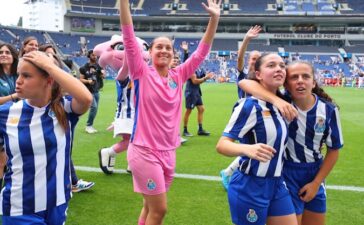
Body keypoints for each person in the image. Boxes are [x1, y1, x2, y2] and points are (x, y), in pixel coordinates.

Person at [119, 0, 221, 224]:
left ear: (174, 55)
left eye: (168, 48)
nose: (164, 50)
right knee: (160, 210)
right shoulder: (141, 72)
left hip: (169, 151)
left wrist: (214, 19)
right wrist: (124, 3)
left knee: (149, 207)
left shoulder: (179, 75)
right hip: (144, 151)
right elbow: (128, 36)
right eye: (159, 47)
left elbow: (201, 52)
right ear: (150, 52)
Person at [239, 61, 344, 225]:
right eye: (294, 77)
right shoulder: (282, 102)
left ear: (313, 82)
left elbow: (334, 150)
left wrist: (316, 184)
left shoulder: (329, 110)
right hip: (287, 172)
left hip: (315, 172)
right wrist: (277, 100)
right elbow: (244, 83)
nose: (300, 81)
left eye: (306, 76)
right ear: (286, 85)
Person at [0, 51, 92, 224]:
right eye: (18, 74)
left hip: (57, 203)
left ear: (48, 80)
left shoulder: (64, 109)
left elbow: (86, 98)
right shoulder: (7, 113)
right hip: (20, 206)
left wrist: (49, 65)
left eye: (26, 76)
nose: (18, 81)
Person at [216, 53, 297, 225]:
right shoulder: (249, 106)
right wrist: (246, 149)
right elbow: (222, 145)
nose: (279, 69)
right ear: (258, 74)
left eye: (282, 66)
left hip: (277, 183)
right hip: (250, 185)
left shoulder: (283, 104)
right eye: (271, 65)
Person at [38, 44, 95, 192]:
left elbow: (85, 99)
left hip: (54, 195)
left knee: (64, 148)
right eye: (46, 55)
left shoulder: (65, 104)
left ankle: (72, 182)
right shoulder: (15, 109)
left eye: (53, 56)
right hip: (26, 189)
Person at [219, 26, 262, 190]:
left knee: (254, 145)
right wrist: (247, 39)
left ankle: (230, 172)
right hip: (244, 115)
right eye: (253, 58)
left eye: (258, 59)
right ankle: (229, 173)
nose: (255, 61)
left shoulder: (261, 76)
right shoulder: (243, 73)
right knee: (250, 145)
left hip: (257, 115)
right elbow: (239, 59)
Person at [181, 42, 214, 137]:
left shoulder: (198, 68)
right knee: (189, 110)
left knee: (201, 109)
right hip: (191, 92)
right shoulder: (191, 68)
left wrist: (207, 75)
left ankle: (200, 129)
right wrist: (206, 78)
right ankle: (185, 130)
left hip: (196, 92)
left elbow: (202, 75)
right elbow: (195, 81)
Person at [0, 43, 19, 187]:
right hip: (1, 122)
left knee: (7, 160)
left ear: (13, 56)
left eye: (7, 52)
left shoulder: (18, 74)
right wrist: (15, 96)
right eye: (1, 52)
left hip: (15, 122)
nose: (3, 54)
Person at [79, 49, 105, 134]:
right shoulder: (84, 67)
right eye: (93, 55)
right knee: (93, 107)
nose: (95, 57)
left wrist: (102, 73)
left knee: (95, 108)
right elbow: (81, 80)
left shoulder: (98, 66)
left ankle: (90, 125)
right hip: (88, 90)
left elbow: (103, 76)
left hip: (96, 90)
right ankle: (88, 126)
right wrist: (88, 81)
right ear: (89, 56)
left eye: (96, 55)